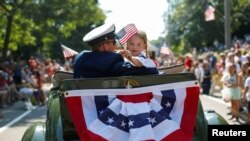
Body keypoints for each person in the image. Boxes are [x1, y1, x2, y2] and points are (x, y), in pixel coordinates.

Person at [73, 23, 159, 78]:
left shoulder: (79, 58)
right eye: (114, 42)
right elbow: (152, 71)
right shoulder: (111, 62)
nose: (115, 47)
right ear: (105, 46)